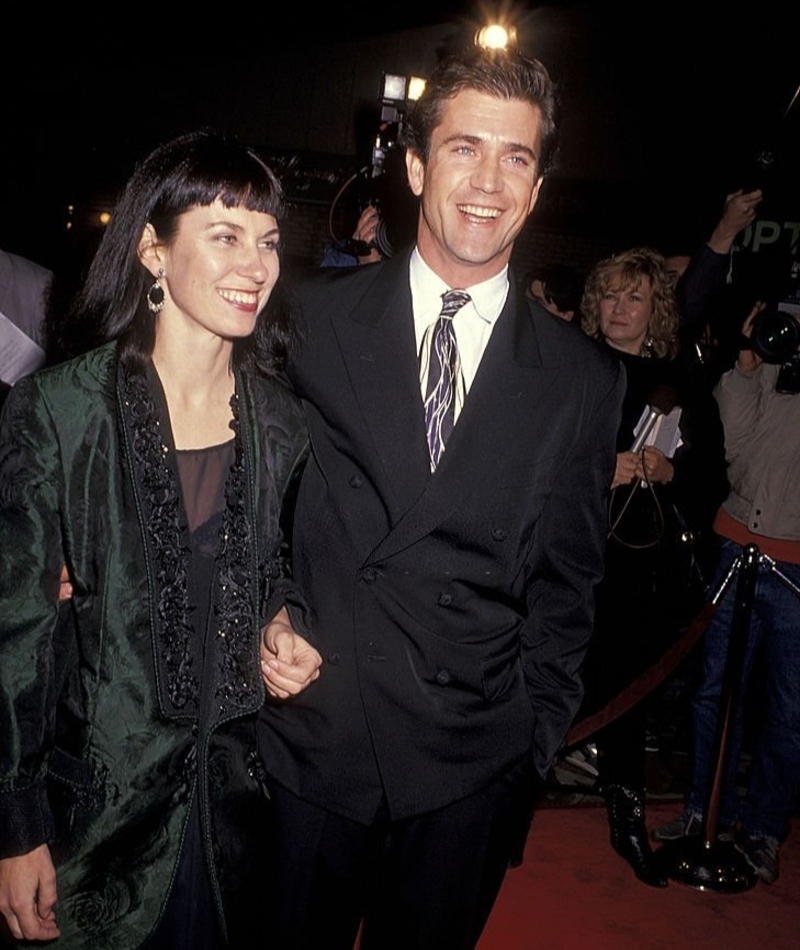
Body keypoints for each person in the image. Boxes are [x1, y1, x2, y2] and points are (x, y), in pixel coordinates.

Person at [256, 45, 625, 950]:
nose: (489, 182)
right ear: (417, 166)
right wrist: (269, 608)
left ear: (537, 189)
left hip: (466, 770)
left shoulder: (581, 377)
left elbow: (568, 584)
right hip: (314, 744)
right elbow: (251, 505)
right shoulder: (310, 319)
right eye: (464, 149)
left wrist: (526, 755)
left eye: (518, 157)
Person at [0, 130, 322, 949]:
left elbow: (276, 565)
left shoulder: (284, 422)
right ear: (152, 248)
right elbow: (18, 634)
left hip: (235, 822)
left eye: (269, 241)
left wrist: (281, 622)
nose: (255, 264)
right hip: (94, 823)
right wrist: (16, 823)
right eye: (224, 235)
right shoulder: (61, 412)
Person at [576, 247, 728, 886]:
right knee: (546, 685)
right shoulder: (570, 367)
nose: (619, 308)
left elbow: (714, 475)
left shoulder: (683, 384)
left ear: (655, 309)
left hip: (640, 568)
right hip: (568, 556)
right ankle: (506, 819)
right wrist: (595, 471)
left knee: (630, 694)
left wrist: (671, 471)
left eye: (633, 297)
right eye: (610, 295)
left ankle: (626, 816)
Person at [653, 303, 800, 886]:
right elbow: (731, 451)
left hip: (795, 566)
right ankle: (702, 810)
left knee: (789, 712)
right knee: (713, 692)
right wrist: (746, 366)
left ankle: (763, 830)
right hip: (735, 547)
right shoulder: (765, 365)